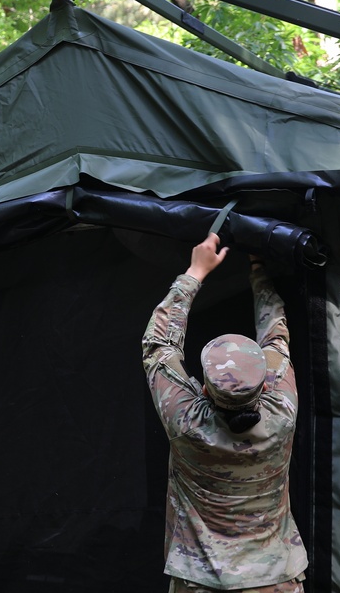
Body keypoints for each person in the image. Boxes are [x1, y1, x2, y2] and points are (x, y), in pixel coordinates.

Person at [141, 233, 308, 593]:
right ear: (265, 384)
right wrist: (259, 268)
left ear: (202, 389)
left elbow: (158, 345)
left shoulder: (185, 421)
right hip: (276, 580)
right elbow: (275, 335)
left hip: (202, 583)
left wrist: (195, 272)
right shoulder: (283, 411)